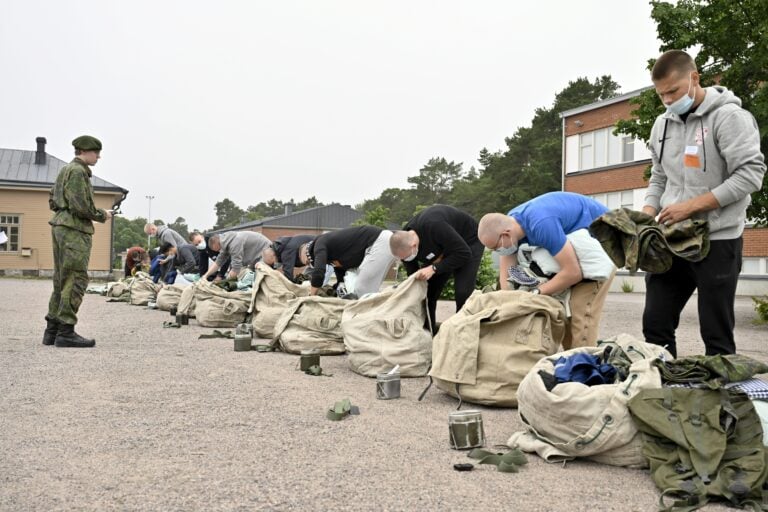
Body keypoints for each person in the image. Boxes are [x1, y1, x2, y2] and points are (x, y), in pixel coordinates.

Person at [641, 50, 766, 357]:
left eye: (673, 91)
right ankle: (663, 382)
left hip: (718, 238)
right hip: (673, 238)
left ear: (694, 78)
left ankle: (721, 384)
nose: (667, 100)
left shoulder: (730, 117)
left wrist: (691, 206)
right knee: (655, 323)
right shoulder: (661, 125)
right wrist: (646, 212)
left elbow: (750, 175)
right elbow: (659, 176)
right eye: (661, 94)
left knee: (715, 333)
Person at [478, 191, 614, 349]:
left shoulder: (541, 224)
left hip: (604, 245)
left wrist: (536, 293)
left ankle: (583, 362)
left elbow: (573, 272)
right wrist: (508, 303)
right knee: (561, 312)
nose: (497, 252)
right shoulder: (511, 224)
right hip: (575, 248)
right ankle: (571, 357)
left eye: (496, 247)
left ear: (505, 234)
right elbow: (507, 277)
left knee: (580, 310)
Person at [43, 135, 113, 348]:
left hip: (61, 226)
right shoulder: (78, 171)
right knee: (75, 278)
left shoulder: (65, 170)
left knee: (61, 278)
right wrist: (102, 215)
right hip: (74, 229)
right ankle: (66, 331)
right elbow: (80, 206)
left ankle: (52, 330)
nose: (98, 157)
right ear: (84, 151)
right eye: (96, 152)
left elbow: (52, 200)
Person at [389, 205, 484, 332]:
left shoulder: (435, 225)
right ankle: (428, 334)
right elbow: (414, 274)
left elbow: (463, 253)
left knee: (463, 292)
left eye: (407, 257)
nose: (407, 260)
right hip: (443, 247)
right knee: (427, 293)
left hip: (468, 241)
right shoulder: (404, 242)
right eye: (404, 259)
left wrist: (434, 268)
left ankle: (463, 333)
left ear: (414, 245)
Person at [298, 225, 396, 297]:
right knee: (363, 290)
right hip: (380, 242)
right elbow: (341, 270)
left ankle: (365, 317)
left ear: (307, 252)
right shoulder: (331, 251)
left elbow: (319, 272)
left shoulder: (319, 244)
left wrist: (312, 295)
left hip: (378, 241)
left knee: (361, 290)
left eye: (307, 262)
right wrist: (338, 285)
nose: (310, 265)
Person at [202, 231, 271, 280]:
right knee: (248, 277)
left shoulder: (234, 243)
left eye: (219, 249)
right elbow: (218, 262)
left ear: (219, 244)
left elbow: (236, 268)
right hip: (255, 257)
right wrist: (205, 276)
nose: (219, 252)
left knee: (261, 278)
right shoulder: (225, 242)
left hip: (266, 252)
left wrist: (225, 282)